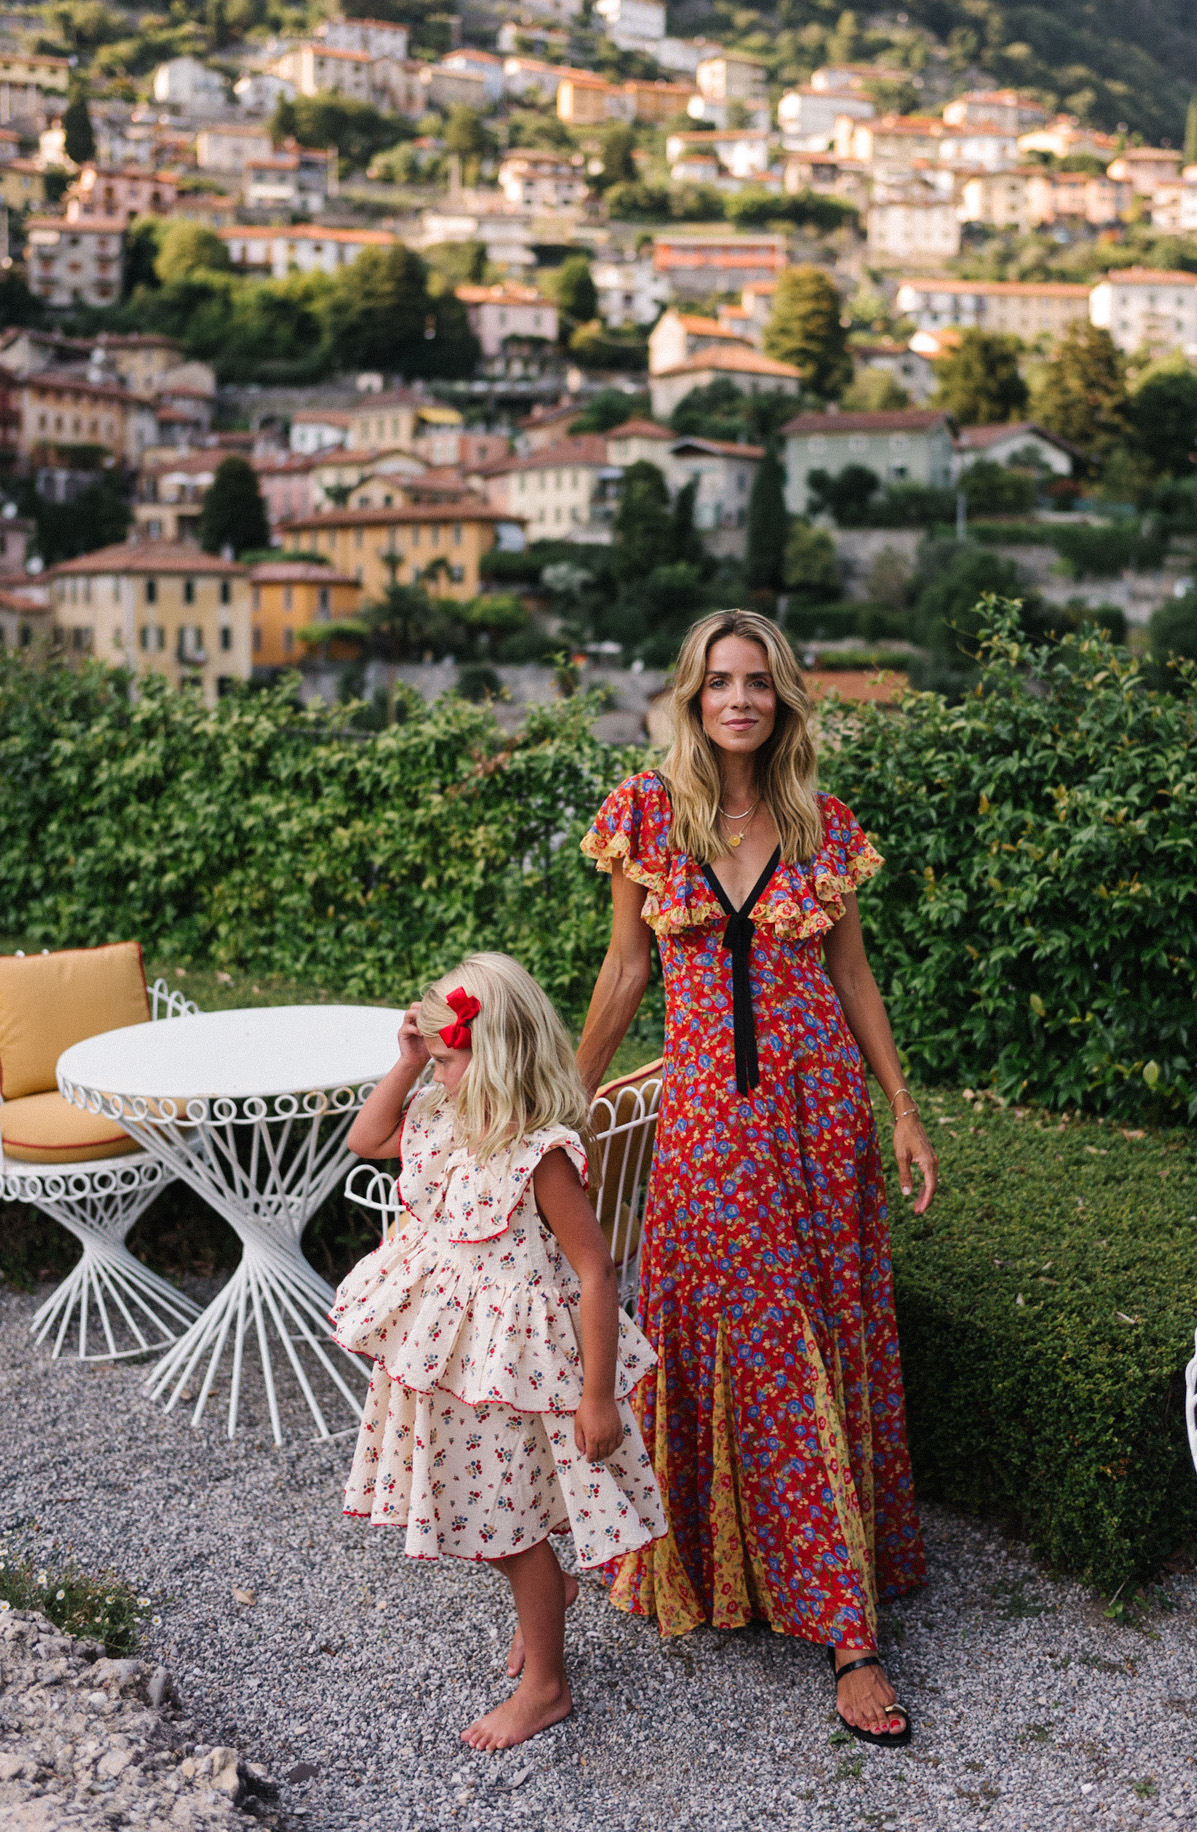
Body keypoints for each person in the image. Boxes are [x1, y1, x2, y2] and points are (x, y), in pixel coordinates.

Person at [578, 609, 939, 1747]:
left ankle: (847, 1627)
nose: (740, 699)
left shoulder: (823, 826)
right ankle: (727, 1568)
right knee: (728, 1328)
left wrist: (903, 1107)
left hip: (816, 1119)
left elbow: (854, 978)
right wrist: (565, 1104)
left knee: (808, 1332)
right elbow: (627, 971)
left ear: (782, 697)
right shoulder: (645, 814)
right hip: (703, 1125)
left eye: (759, 682)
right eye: (719, 681)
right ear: (690, 695)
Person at [330, 951, 666, 1751]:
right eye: (435, 1061)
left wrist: (596, 1397)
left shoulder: (539, 1152)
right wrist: (409, 1060)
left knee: (509, 1526)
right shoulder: (442, 1117)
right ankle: (546, 1605)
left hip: (515, 1363)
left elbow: (595, 1269)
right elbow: (365, 1138)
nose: (437, 1074)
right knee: (479, 1504)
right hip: (453, 1351)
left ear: (494, 1054)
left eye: (446, 1060)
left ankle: (546, 1686)